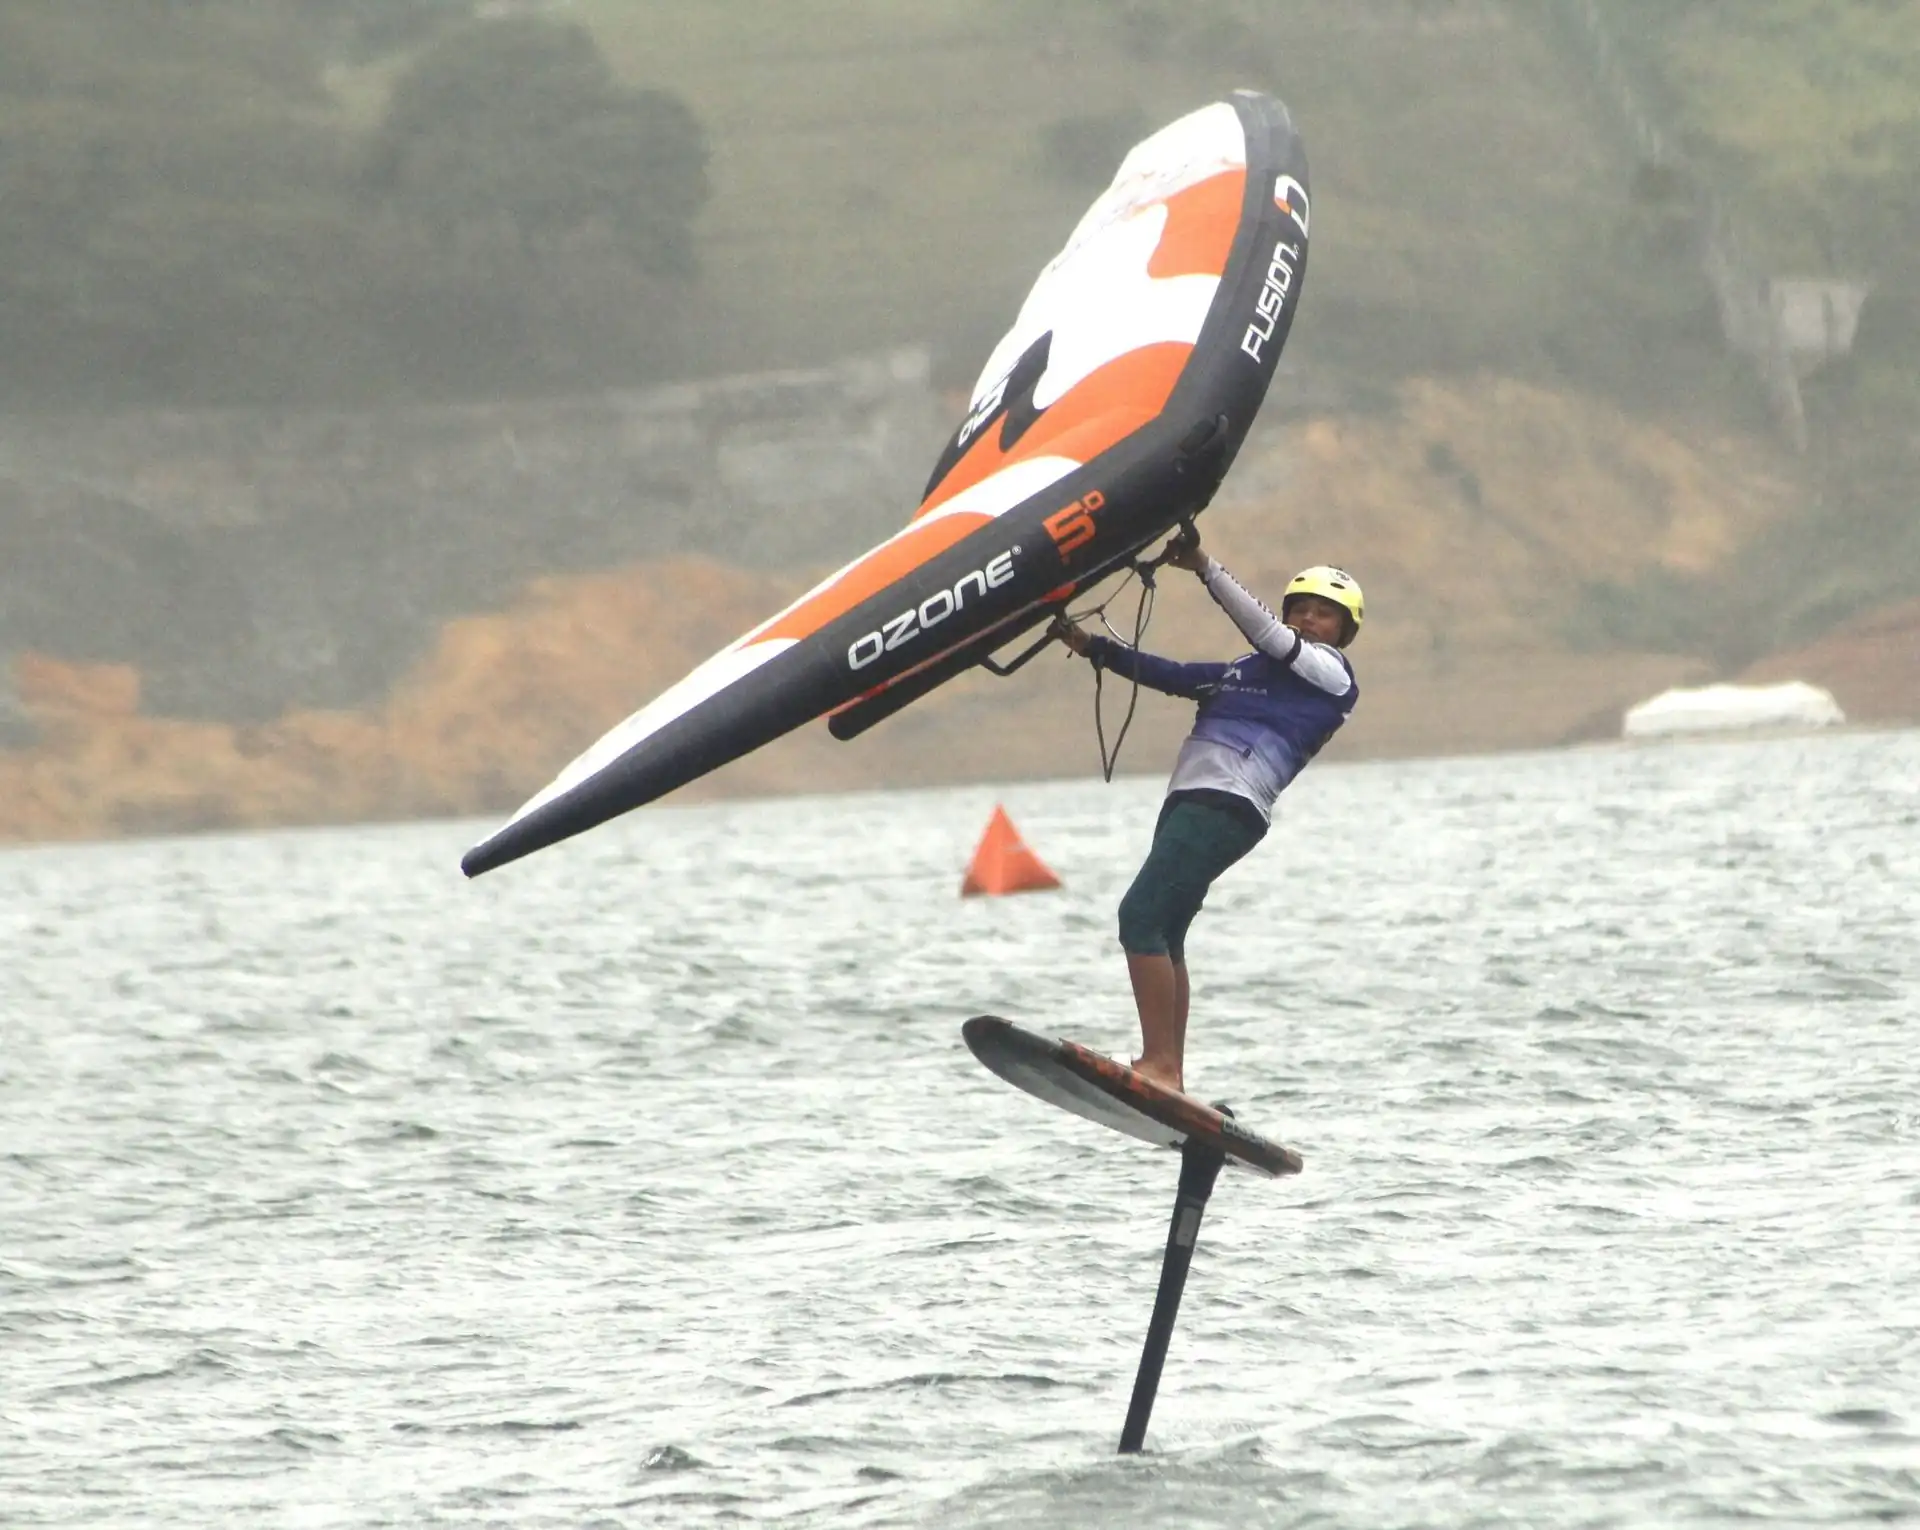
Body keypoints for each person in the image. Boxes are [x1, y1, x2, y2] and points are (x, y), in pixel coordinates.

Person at [1050, 535, 1362, 1094]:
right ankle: (1170, 1069)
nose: (1310, 621)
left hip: (1227, 802)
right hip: (1194, 801)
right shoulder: (1243, 671)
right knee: (1166, 930)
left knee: (1139, 915)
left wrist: (1203, 567)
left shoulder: (1332, 677)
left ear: (1343, 632)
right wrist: (1090, 646)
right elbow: (1170, 673)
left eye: (1325, 615)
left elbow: (1269, 633)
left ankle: (1160, 1064)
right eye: (1302, 610)